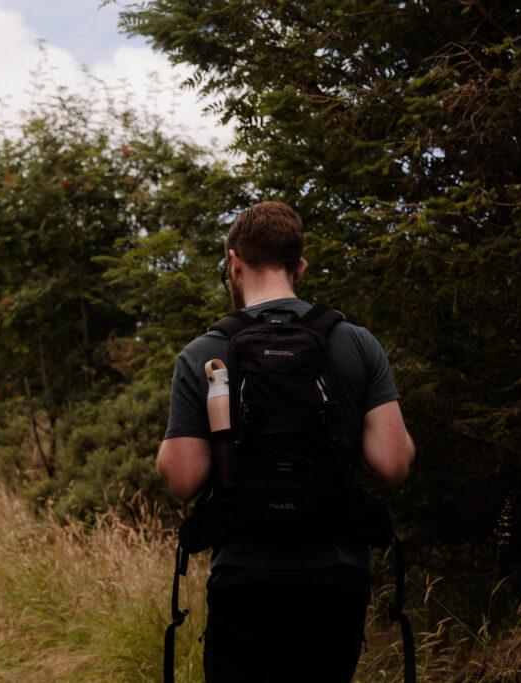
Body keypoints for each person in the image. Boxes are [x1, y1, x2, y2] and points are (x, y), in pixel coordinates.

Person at [157, 201, 415, 682]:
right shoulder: (356, 343)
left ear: (233, 261)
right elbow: (394, 464)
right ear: (300, 265)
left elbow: (184, 480)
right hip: (336, 576)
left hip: (245, 574)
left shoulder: (203, 352)